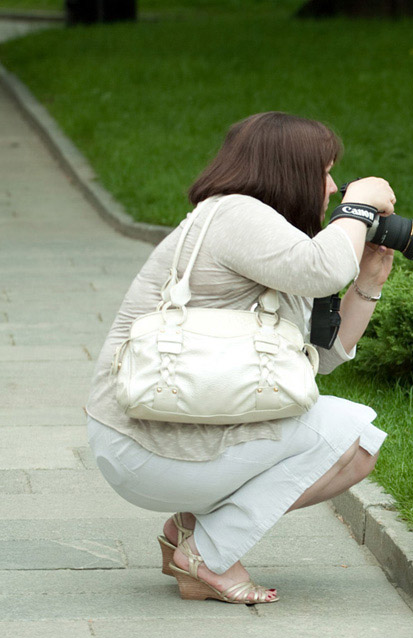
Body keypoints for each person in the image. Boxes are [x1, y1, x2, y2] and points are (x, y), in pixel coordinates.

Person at [85, 111, 397, 604]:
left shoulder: (267, 238)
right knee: (354, 436)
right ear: (290, 172)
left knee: (347, 434)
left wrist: (369, 283)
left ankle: (190, 532)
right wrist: (359, 207)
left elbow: (323, 358)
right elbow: (322, 270)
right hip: (147, 439)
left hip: (153, 434)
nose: (335, 187)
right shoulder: (235, 214)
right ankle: (207, 554)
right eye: (326, 172)